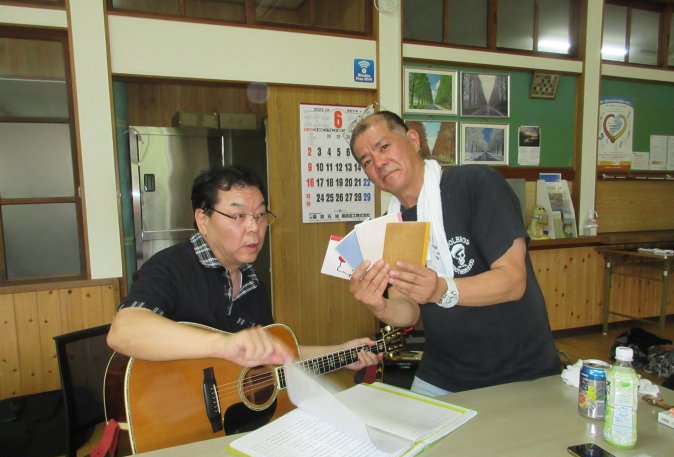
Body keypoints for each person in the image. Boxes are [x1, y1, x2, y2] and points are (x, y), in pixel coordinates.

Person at [347, 110, 560, 396]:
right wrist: (378, 305)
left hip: (519, 370)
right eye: (367, 161)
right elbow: (408, 309)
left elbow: (513, 281)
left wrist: (440, 289)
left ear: (413, 140)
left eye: (384, 146)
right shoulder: (394, 222)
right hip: (443, 370)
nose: (379, 163)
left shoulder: (476, 184)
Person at [108, 165, 379, 370]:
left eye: (260, 215)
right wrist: (223, 345)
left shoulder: (252, 283)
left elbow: (273, 354)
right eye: (238, 216)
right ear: (203, 220)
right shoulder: (170, 266)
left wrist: (339, 353)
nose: (254, 228)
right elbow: (123, 331)